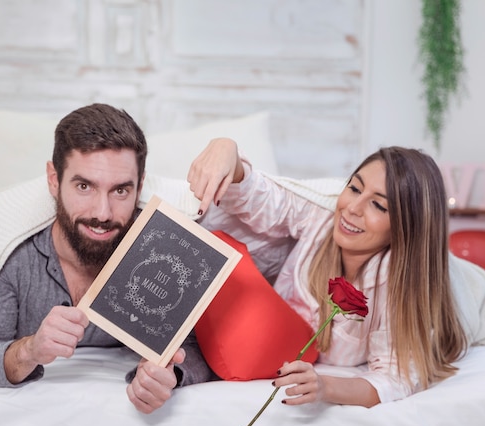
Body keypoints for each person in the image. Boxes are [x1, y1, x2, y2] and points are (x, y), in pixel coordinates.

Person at [0, 103, 216, 413]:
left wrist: (168, 375)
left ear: (140, 186)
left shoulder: (157, 249)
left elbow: (195, 349)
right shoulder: (14, 254)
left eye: (120, 191)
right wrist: (30, 350)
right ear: (53, 179)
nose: (102, 213)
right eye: (84, 186)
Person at [187, 139, 469, 407]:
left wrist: (327, 387)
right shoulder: (322, 218)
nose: (352, 209)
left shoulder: (398, 282)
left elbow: (397, 376)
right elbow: (263, 198)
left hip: (465, 289)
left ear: (406, 228)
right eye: (355, 189)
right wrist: (227, 150)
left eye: (378, 205)